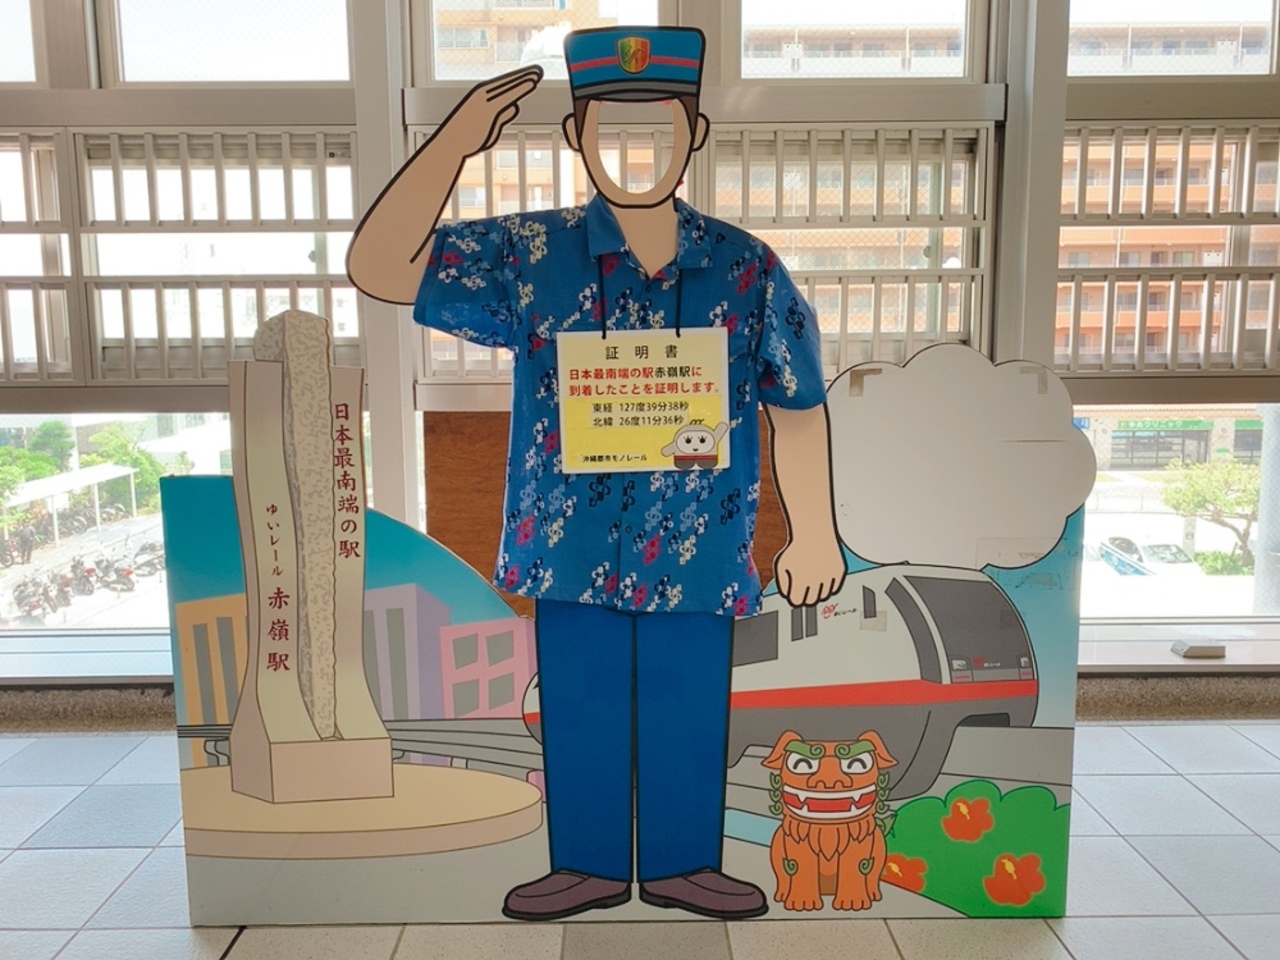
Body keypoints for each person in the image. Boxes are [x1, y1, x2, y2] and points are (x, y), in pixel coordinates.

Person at [348, 26, 846, 921]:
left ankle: (685, 862)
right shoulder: (530, 256)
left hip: (698, 546)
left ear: (695, 136)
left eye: (658, 130)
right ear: (577, 137)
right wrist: (452, 145)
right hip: (570, 543)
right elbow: (380, 267)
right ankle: (584, 862)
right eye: (612, 130)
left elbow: (799, 400)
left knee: (688, 705)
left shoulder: (746, 269)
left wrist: (816, 533)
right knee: (581, 704)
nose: (634, 152)